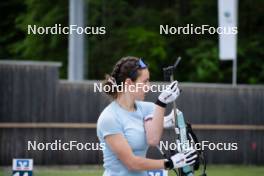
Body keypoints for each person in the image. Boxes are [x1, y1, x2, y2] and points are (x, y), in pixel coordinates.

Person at [97, 56, 197, 176]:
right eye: (145, 81)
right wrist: (170, 163)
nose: (148, 87)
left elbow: (153, 139)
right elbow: (131, 163)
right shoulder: (109, 118)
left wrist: (162, 103)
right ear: (129, 83)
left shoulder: (146, 108)